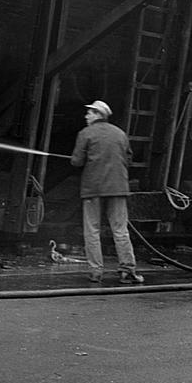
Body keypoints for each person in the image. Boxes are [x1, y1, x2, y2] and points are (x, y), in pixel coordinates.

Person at [70, 100, 144, 284]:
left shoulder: (85, 133)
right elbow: (128, 159)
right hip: (118, 188)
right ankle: (128, 270)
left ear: (97, 114)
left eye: (89, 112)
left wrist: (79, 158)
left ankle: (96, 271)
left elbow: (77, 162)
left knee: (92, 230)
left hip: (93, 189)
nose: (86, 116)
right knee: (120, 230)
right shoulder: (120, 133)